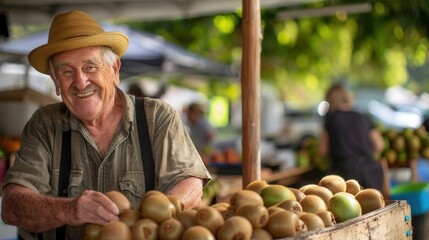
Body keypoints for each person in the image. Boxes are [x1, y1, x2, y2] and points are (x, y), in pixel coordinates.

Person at [0, 10, 211, 240]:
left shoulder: (156, 117)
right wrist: (69, 209)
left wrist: (153, 218)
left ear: (114, 70)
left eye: (90, 67)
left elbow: (190, 182)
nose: (80, 82)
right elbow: (12, 207)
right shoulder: (44, 125)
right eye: (67, 71)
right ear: (56, 82)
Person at [318, 82, 385, 192]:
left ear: (330, 101)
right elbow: (379, 145)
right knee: (375, 206)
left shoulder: (331, 118)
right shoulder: (363, 117)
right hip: (371, 171)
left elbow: (322, 150)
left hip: (345, 173)